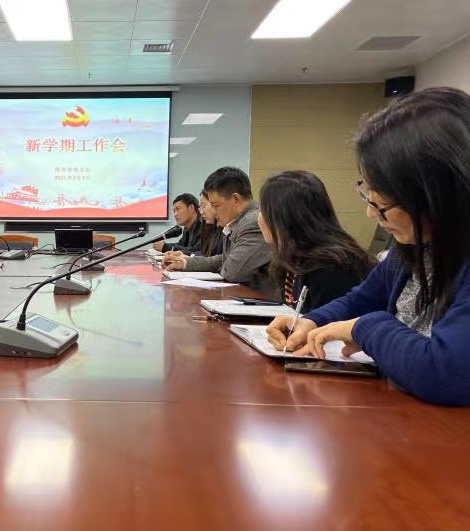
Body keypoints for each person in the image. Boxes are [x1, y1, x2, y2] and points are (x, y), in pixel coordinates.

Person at [266, 87, 470, 406]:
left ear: (437, 193)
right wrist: (312, 320)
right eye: (369, 194)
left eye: (383, 202)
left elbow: (447, 373)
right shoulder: (414, 245)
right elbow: (362, 298)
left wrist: (365, 328)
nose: (371, 214)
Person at [258, 170, 373, 312]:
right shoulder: (295, 257)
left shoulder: (331, 268)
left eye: (263, 211)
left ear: (288, 219)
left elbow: (328, 323)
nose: (259, 219)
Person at [163, 167, 276, 297]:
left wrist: (223, 264)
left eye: (215, 205)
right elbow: (225, 259)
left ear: (235, 199)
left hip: (260, 303)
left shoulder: (252, 223)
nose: (213, 211)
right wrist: (185, 263)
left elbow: (232, 272)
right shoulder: (239, 222)